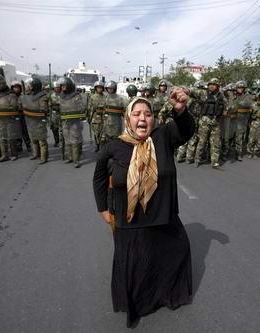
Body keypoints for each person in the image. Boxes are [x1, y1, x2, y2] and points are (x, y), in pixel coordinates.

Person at [93, 88, 194, 328]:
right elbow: (98, 177)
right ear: (127, 119)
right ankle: (138, 303)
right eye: (136, 113)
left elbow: (187, 130)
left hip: (163, 215)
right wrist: (102, 208)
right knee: (136, 264)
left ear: (154, 119)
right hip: (129, 220)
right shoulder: (113, 147)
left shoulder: (164, 136)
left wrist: (181, 111)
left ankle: (166, 295)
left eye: (147, 113)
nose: (142, 118)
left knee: (174, 253)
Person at [192, 78, 225, 169]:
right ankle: (197, 159)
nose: (211, 86)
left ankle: (214, 161)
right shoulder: (203, 93)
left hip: (216, 122)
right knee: (202, 141)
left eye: (214, 84)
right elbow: (192, 91)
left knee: (215, 143)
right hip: (205, 121)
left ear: (217, 86)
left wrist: (224, 111)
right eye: (210, 84)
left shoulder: (221, 96)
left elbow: (225, 106)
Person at [57, 76, 88, 168]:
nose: (62, 87)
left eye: (64, 86)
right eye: (61, 86)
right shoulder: (61, 96)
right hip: (65, 121)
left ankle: (76, 160)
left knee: (75, 141)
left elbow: (82, 108)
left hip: (75, 122)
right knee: (67, 140)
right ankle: (69, 157)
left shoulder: (77, 96)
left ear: (69, 86)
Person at [20, 77, 50, 164]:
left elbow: (43, 109)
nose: (28, 87)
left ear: (34, 86)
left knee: (41, 140)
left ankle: (44, 157)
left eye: (29, 86)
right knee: (33, 139)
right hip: (30, 120)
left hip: (39, 121)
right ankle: (36, 154)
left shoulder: (42, 96)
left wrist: (30, 107)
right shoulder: (28, 95)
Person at [0, 75, 21, 162]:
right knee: (1, 137)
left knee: (11, 137)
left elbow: (14, 106)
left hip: (10, 119)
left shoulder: (11, 94)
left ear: (4, 83)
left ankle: (14, 154)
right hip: (0, 119)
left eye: (0, 84)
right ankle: (4, 155)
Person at [87, 80, 106, 152]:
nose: (99, 89)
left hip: (104, 117)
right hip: (95, 117)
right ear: (95, 88)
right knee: (96, 133)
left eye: (101, 87)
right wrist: (89, 117)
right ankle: (97, 145)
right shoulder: (92, 97)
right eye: (98, 88)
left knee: (103, 134)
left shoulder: (105, 97)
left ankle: (103, 146)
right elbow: (90, 108)